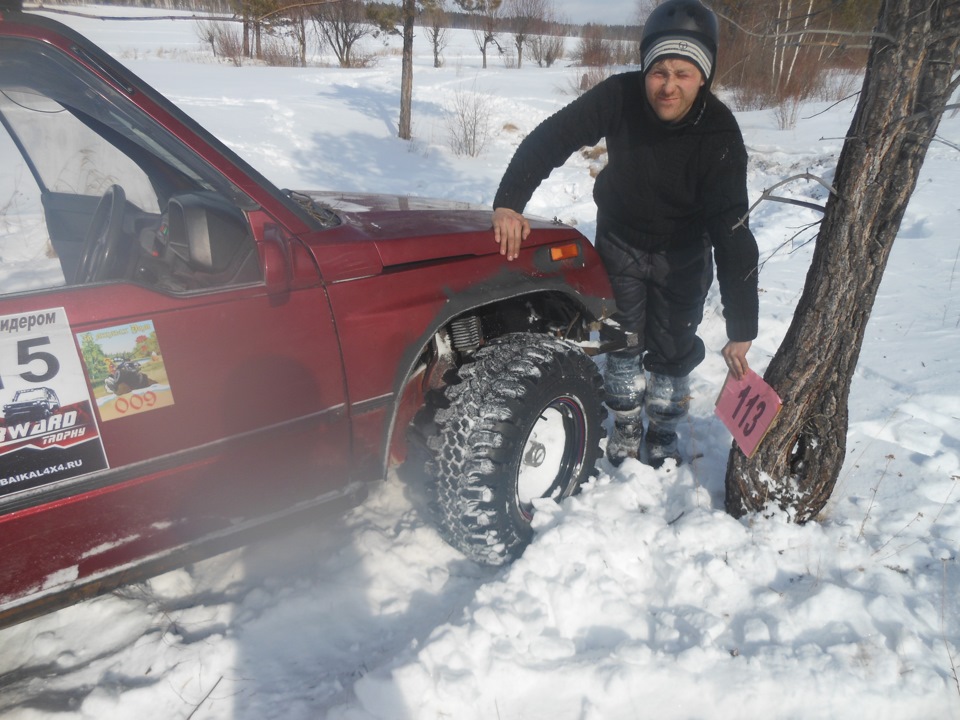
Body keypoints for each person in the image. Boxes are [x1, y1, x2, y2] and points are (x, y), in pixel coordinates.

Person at [491, 0, 759, 468]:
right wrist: (509, 201)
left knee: (674, 349)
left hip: (684, 252)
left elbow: (732, 228)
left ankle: (662, 427)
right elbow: (553, 137)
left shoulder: (719, 132)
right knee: (622, 340)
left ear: (704, 76)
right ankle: (627, 421)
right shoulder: (619, 96)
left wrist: (742, 324)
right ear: (644, 69)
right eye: (659, 71)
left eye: (684, 72)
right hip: (622, 241)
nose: (669, 85)